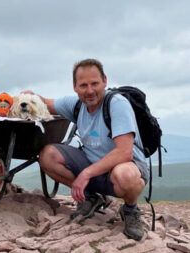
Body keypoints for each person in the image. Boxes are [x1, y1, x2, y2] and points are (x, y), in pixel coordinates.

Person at [24, 58, 148, 241]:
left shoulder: (117, 104)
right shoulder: (75, 104)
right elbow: (45, 103)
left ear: (104, 81)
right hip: (94, 166)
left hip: (125, 167)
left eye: (95, 83)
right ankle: (90, 197)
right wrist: (29, 96)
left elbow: (124, 153)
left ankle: (130, 209)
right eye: (83, 85)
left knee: (125, 175)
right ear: (75, 86)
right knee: (47, 156)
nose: (90, 91)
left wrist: (86, 174)